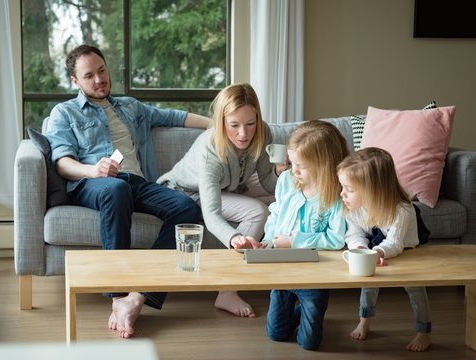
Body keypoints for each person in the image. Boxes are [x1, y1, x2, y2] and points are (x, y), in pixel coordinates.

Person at [45, 44, 211, 339]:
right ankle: (117, 295)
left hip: (136, 182)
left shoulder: (131, 106)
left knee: (187, 210)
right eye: (89, 76)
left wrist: (219, 124)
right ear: (75, 81)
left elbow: (175, 117)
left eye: (102, 71)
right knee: (115, 189)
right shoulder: (65, 112)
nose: (99, 80)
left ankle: (139, 294)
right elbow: (62, 162)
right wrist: (92, 170)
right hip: (92, 183)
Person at [158, 83, 287, 317]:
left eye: (250, 123)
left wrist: (283, 174)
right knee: (258, 211)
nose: (244, 134)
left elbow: (268, 181)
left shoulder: (263, 133)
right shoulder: (211, 149)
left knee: (276, 203)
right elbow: (211, 214)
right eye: (234, 125)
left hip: (228, 188)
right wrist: (234, 237)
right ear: (221, 123)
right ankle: (227, 290)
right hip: (185, 192)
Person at [262, 120, 349, 350]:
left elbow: (336, 239)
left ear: (323, 165)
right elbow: (275, 214)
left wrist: (295, 241)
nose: (294, 170)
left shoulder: (335, 196)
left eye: (302, 165)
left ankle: (315, 306)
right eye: (292, 163)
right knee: (275, 333)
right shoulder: (287, 182)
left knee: (308, 343)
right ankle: (307, 310)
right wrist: (267, 241)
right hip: (282, 272)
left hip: (314, 277)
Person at [337, 147, 432, 352]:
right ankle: (364, 320)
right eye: (342, 187)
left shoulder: (402, 209)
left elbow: (395, 243)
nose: (342, 193)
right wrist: (360, 249)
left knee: (416, 288)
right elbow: (354, 234)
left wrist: (377, 253)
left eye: (349, 189)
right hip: (376, 246)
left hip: (407, 249)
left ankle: (424, 331)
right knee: (368, 283)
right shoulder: (353, 209)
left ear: (374, 188)